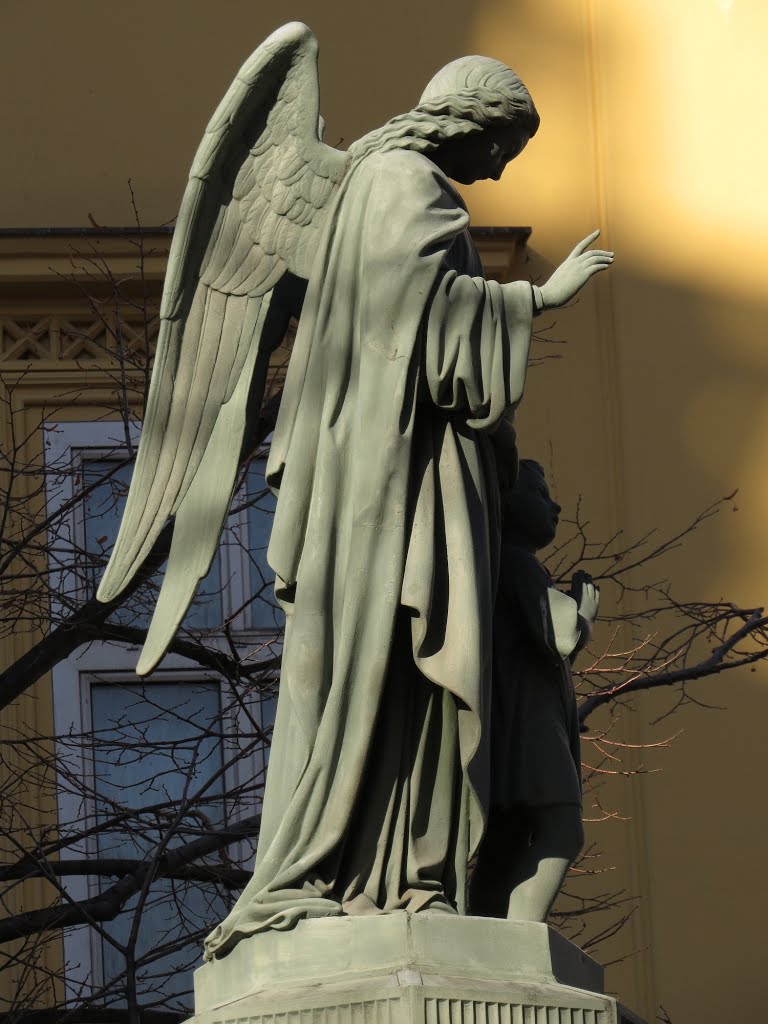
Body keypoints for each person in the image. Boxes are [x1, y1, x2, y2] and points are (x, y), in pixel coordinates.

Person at [470, 459, 600, 922]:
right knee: (562, 829)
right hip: (530, 726)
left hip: (516, 721)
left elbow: (545, 652)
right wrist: (584, 612)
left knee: (508, 837)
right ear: (506, 501)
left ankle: (487, 928)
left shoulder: (499, 565)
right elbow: (561, 635)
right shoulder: (519, 565)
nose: (555, 505)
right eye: (541, 494)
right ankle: (521, 932)